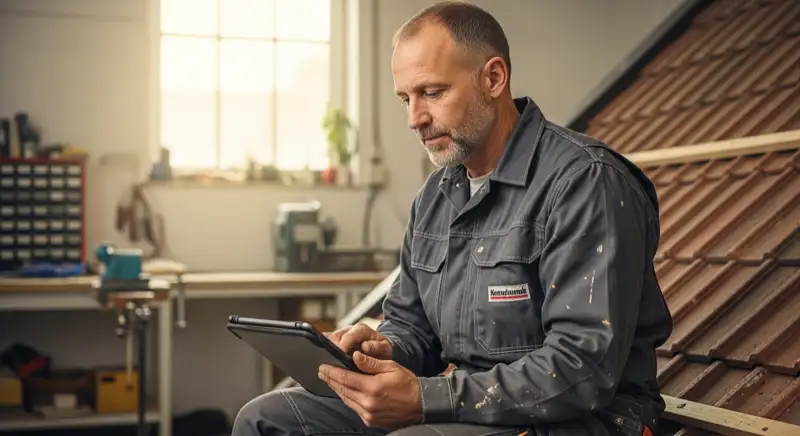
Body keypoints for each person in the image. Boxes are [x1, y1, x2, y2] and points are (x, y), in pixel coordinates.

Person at [232, 2, 672, 435]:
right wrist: (381, 348)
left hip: (584, 419)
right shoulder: (437, 196)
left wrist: (426, 399)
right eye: (405, 98)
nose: (414, 119)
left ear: (493, 78)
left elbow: (583, 368)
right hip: (464, 403)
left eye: (432, 93)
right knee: (265, 418)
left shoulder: (584, 183)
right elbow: (412, 327)